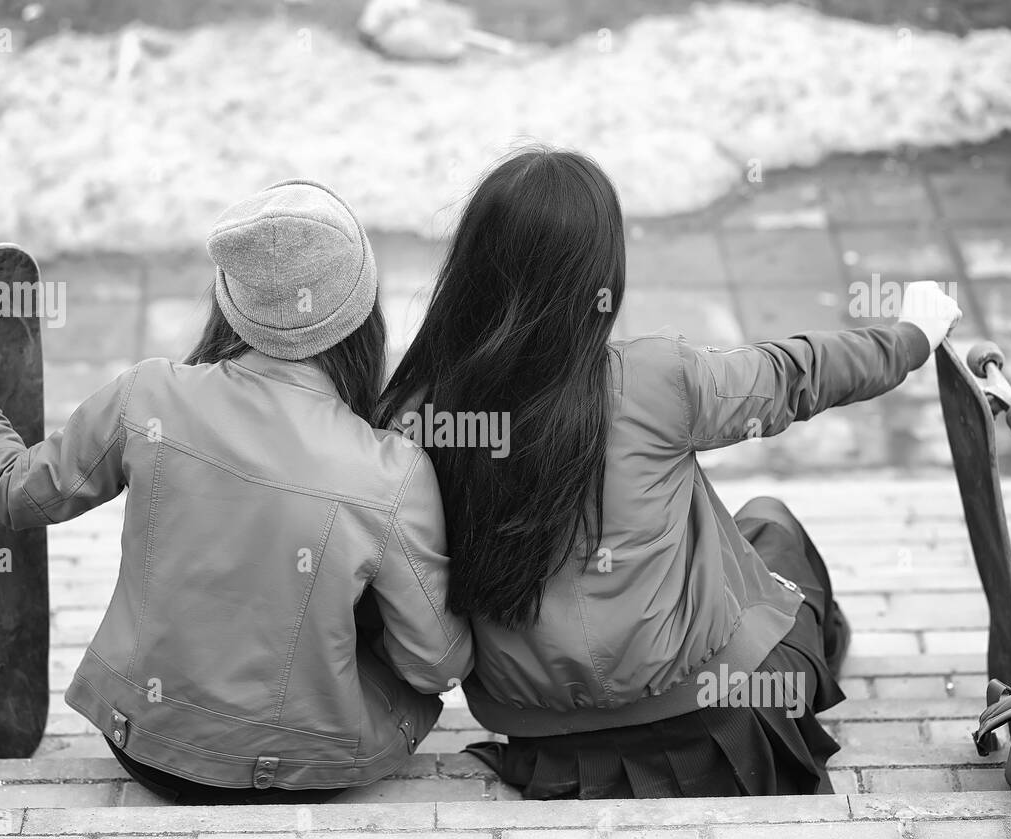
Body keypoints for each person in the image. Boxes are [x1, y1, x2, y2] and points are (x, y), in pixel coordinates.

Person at [376, 147, 959, 799]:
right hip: (726, 726)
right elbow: (794, 374)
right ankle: (822, 665)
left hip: (547, 749)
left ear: (470, 267)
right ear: (600, 274)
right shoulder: (657, 378)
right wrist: (910, 337)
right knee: (772, 524)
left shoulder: (415, 418)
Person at [0, 180, 472, 803]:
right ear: (365, 314)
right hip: (304, 774)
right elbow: (434, 664)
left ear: (227, 302)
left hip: (144, 748)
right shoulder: (392, 470)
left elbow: (11, 491)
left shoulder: (147, 396)